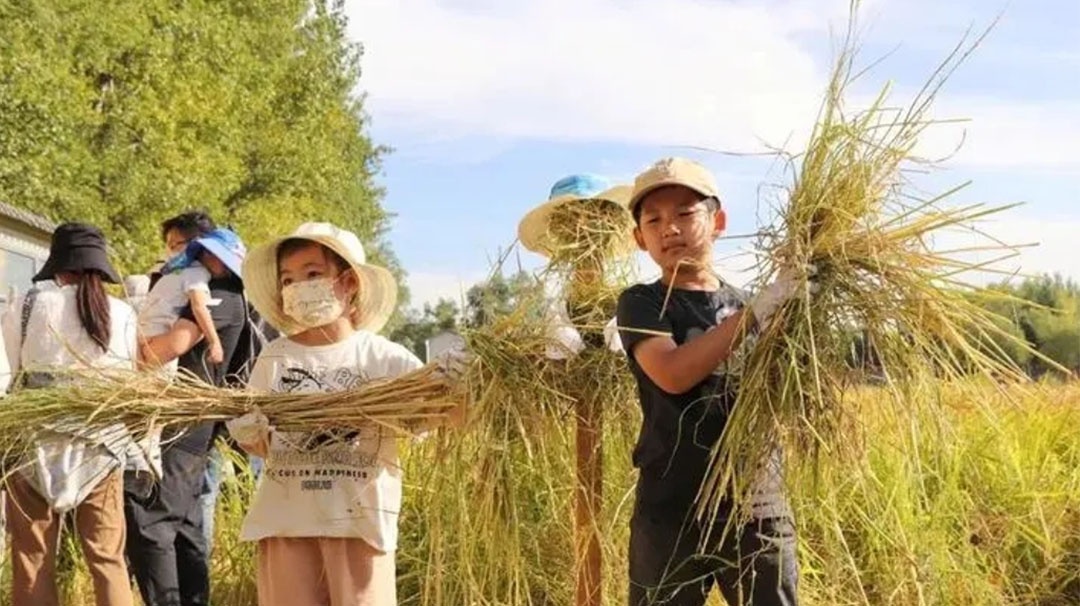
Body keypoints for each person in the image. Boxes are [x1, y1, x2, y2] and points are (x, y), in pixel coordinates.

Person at [226, 222, 448, 606]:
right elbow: (261, 446)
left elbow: (433, 418)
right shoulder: (276, 357)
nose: (298, 286)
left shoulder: (384, 359)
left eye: (313, 274)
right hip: (287, 523)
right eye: (288, 279)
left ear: (348, 284)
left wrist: (451, 385)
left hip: (358, 525)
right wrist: (246, 430)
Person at [615, 158, 805, 606]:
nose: (670, 229)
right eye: (654, 220)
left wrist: (796, 306)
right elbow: (674, 374)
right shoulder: (642, 304)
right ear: (639, 238)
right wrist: (759, 311)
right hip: (672, 502)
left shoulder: (751, 304)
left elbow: (786, 389)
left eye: (685, 213)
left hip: (755, 502)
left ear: (717, 221)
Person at [1, 223, 143, 606]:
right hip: (101, 445)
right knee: (107, 557)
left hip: (32, 443)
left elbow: (13, 373)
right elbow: (126, 380)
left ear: (58, 267)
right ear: (100, 268)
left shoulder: (29, 304)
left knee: (32, 558)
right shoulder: (124, 314)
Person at [127, 224, 250, 606]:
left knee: (153, 522)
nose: (177, 256)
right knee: (185, 526)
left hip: (184, 422)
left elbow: (160, 352)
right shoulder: (230, 295)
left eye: (181, 247)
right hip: (198, 422)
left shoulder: (214, 296)